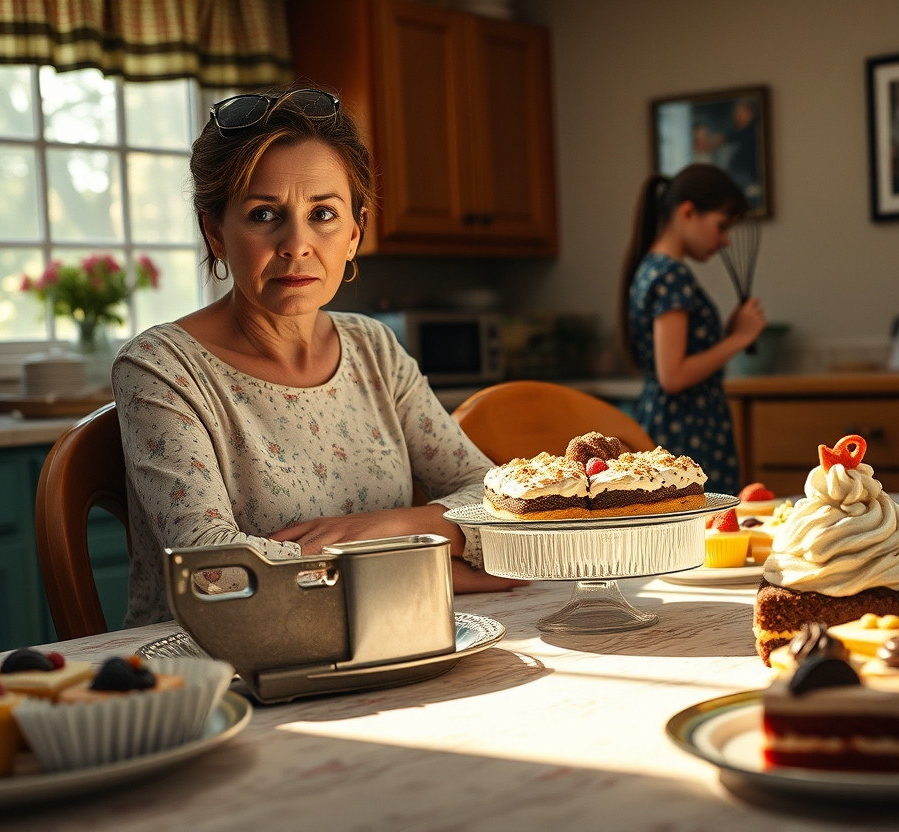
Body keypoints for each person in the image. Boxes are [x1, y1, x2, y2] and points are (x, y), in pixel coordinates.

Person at [112, 86, 524, 628]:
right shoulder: (160, 368)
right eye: (264, 214)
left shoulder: (373, 350)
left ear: (355, 232)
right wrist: (444, 564)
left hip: (390, 637)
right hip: (221, 670)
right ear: (214, 231)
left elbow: (500, 508)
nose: (297, 244)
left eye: (323, 213)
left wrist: (383, 527)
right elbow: (216, 570)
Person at [618, 164, 765, 497]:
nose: (726, 240)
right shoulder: (672, 276)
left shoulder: (652, 268)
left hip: (670, 421)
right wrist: (738, 340)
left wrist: (726, 335)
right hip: (685, 428)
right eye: (722, 225)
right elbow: (674, 374)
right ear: (688, 212)